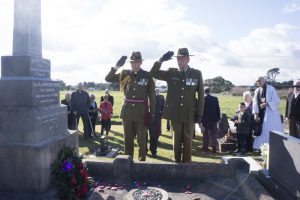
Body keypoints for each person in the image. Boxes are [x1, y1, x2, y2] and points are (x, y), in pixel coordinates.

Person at [151, 48, 204, 162]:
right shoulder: (171, 72)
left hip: (189, 114)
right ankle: (176, 164)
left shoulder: (196, 73)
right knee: (176, 141)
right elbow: (153, 73)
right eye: (179, 58)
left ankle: (186, 166)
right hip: (175, 114)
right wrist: (160, 61)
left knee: (188, 141)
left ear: (188, 59)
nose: (181, 61)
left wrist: (199, 115)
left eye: (183, 58)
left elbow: (201, 96)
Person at [105, 51, 155, 161]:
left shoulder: (147, 75)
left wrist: (152, 113)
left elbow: (151, 95)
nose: (134, 64)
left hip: (141, 113)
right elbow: (108, 78)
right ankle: (128, 165)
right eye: (132, 62)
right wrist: (117, 66)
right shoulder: (124, 74)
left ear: (141, 62)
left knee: (142, 140)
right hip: (127, 112)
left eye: (137, 62)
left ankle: (141, 163)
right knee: (127, 140)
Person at [252, 76, 283, 150]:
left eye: (259, 80)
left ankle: (272, 147)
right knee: (261, 130)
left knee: (269, 130)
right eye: (257, 81)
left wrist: (267, 104)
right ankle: (261, 147)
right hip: (260, 113)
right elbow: (255, 103)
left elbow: (276, 100)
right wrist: (255, 114)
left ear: (264, 80)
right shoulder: (257, 90)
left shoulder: (271, 88)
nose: (258, 82)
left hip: (270, 114)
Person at [201, 87, 220, 153]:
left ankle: (205, 147)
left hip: (205, 119)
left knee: (205, 134)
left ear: (204, 92)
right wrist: (218, 118)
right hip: (214, 119)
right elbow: (218, 109)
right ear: (210, 91)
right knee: (213, 134)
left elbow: (201, 110)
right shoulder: (215, 98)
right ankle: (214, 147)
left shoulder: (203, 99)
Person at [149, 88, 165, 157]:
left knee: (154, 136)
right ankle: (145, 150)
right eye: (156, 91)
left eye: (157, 91)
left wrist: (161, 113)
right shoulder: (150, 96)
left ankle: (153, 151)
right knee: (145, 135)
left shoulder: (161, 97)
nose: (157, 92)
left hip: (156, 118)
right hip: (148, 117)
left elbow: (163, 106)